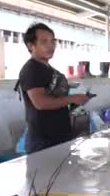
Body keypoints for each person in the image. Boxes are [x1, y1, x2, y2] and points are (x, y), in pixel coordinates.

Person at [17, 23, 90, 154]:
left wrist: (76, 101)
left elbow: (56, 99)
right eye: (44, 41)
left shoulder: (49, 70)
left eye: (53, 41)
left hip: (59, 136)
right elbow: (41, 103)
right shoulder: (31, 69)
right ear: (30, 45)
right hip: (44, 141)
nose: (50, 46)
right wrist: (72, 98)